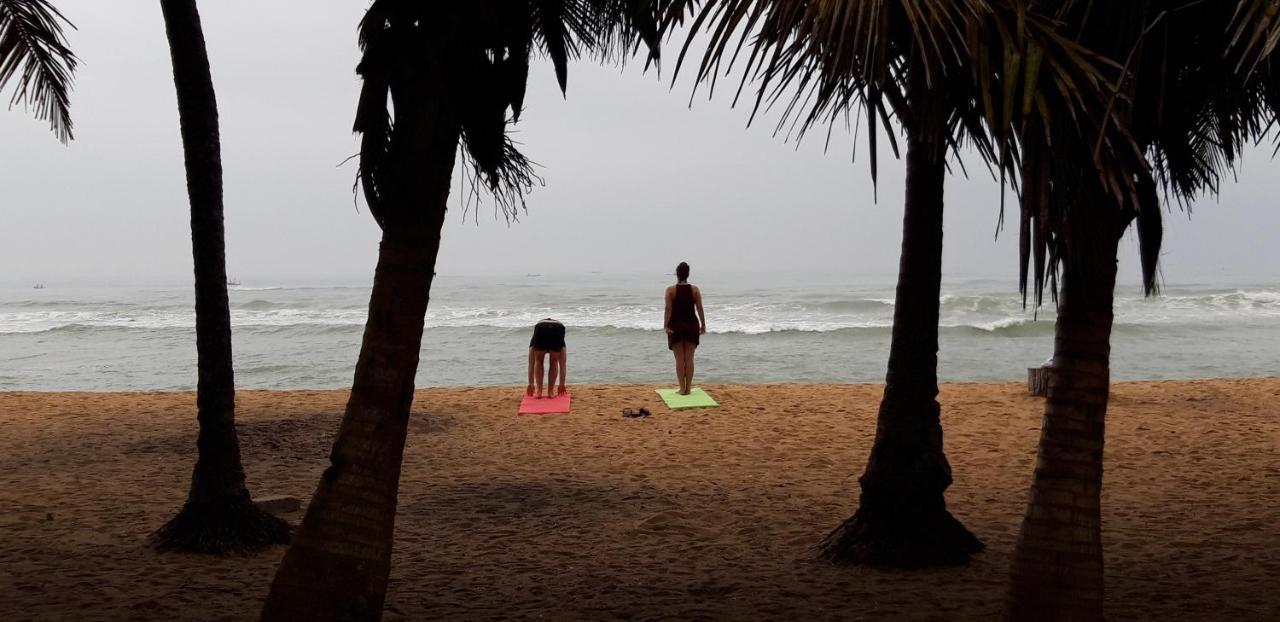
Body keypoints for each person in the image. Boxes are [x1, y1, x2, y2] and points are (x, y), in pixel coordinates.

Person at [664, 262, 706, 395]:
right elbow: (699, 308)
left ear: (677, 274)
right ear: (688, 274)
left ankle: (682, 389)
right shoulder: (695, 290)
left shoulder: (670, 290)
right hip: (691, 325)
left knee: (679, 359)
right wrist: (703, 324)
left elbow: (668, 309)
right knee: (689, 359)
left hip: (676, 326)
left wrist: (666, 325)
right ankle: (688, 388)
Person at [527, 318, 567, 398]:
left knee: (538, 361)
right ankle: (550, 392)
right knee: (554, 362)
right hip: (557, 327)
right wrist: (562, 384)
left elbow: (531, 364)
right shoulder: (563, 346)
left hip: (541, 327)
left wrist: (531, 384)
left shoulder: (533, 343)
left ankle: (539, 392)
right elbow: (562, 365)